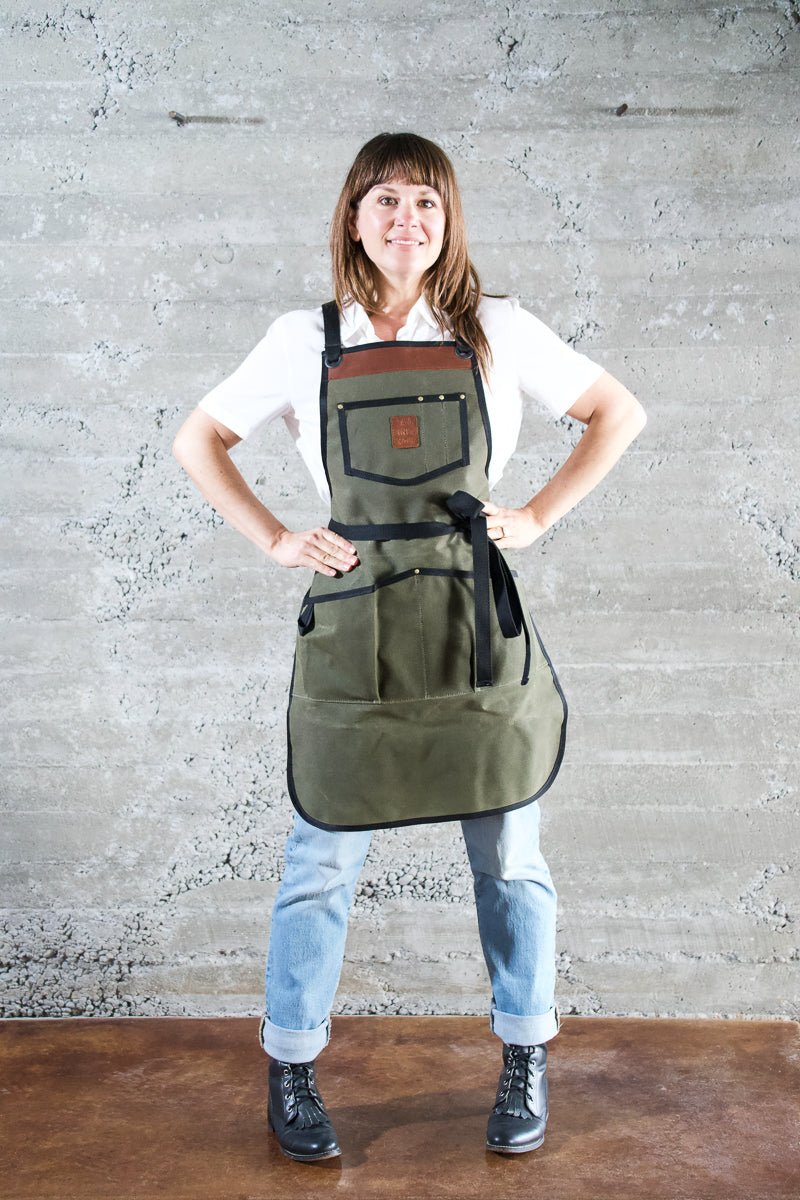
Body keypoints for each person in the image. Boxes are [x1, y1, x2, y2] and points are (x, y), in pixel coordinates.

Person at [172, 130, 646, 1163]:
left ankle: (524, 1053)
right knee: (317, 864)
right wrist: (274, 537)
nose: (406, 221)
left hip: (473, 624)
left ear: (448, 221)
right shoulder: (304, 339)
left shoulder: (497, 331)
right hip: (356, 630)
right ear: (353, 217)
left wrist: (538, 515)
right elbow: (195, 440)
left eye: (426, 203)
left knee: (511, 863)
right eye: (385, 201)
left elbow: (616, 412)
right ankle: (291, 1067)